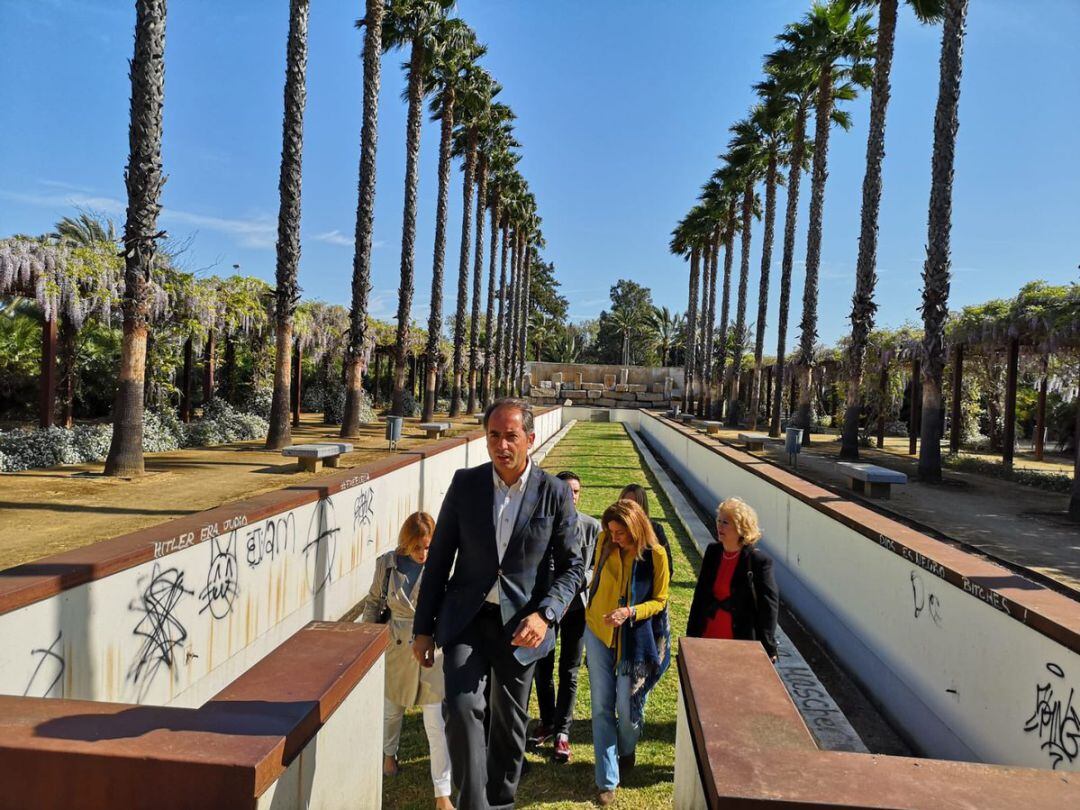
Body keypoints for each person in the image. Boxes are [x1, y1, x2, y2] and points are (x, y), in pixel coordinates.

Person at [412, 398, 584, 810]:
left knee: (508, 726)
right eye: (493, 435)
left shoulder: (555, 493)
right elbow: (439, 560)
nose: (501, 445)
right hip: (466, 619)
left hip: (522, 627)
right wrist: (423, 628)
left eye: (511, 436)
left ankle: (501, 803)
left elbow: (573, 567)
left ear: (530, 438)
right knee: (461, 705)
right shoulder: (464, 484)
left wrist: (546, 615)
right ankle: (473, 803)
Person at [361, 512, 453, 810]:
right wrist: (367, 642)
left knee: (435, 722)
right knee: (392, 711)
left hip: (430, 647)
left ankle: (442, 792)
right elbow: (374, 602)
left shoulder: (442, 564)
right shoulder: (387, 564)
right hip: (396, 644)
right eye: (417, 547)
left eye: (428, 546)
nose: (423, 553)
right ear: (406, 543)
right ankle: (389, 754)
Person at [584, 499, 671, 807]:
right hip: (597, 630)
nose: (615, 537)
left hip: (633, 639)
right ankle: (607, 779)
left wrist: (631, 612)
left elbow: (660, 600)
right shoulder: (604, 542)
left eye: (621, 532)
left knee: (627, 705)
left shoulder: (655, 555)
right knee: (601, 707)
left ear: (635, 527)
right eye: (611, 531)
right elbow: (595, 580)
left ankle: (627, 749)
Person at [527, 470, 601, 763]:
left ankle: (563, 732)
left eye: (577, 492)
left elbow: (596, 566)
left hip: (577, 609)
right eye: (567, 491)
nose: (572, 496)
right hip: (546, 610)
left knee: (569, 670)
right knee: (542, 669)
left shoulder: (591, 527)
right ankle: (547, 722)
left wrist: (579, 582)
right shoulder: (542, 525)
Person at [685, 497, 779, 661]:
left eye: (726, 523)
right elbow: (700, 596)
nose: (719, 526)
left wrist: (769, 646)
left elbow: (768, 608)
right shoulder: (713, 552)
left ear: (741, 527)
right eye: (719, 520)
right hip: (708, 632)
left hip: (738, 639)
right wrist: (691, 635)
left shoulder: (758, 562)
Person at [618, 484, 674, 577]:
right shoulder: (613, 528)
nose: (628, 508)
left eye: (634, 504)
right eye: (625, 503)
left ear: (642, 506)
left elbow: (667, 568)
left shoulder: (655, 530)